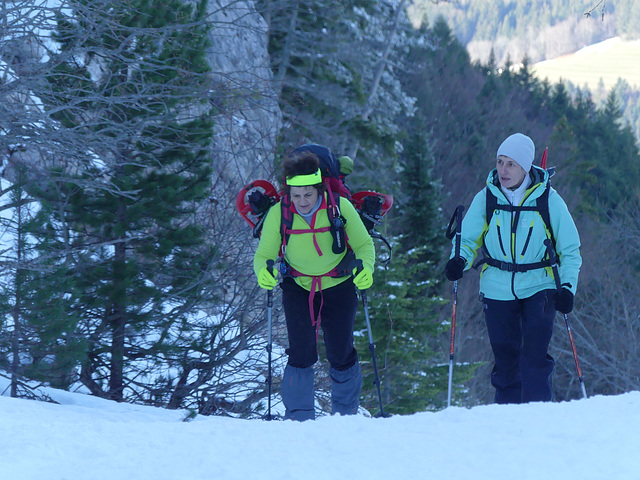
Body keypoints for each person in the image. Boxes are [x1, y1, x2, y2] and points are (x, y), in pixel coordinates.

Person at [444, 132, 582, 404]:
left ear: (526, 167)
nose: (503, 170)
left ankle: (538, 419)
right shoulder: (487, 198)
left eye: (511, 164)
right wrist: (459, 259)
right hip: (497, 286)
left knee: (534, 359)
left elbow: (569, 250)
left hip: (540, 286)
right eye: (500, 161)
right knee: (506, 360)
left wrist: (567, 288)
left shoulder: (548, 200)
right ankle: (506, 424)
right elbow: (468, 238)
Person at [254, 146, 375, 420]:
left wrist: (366, 268)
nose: (303, 200)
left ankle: (346, 416)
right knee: (300, 352)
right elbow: (264, 254)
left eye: (308, 193)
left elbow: (364, 245)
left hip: (339, 284)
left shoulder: (339, 207)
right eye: (296, 195)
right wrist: (263, 271)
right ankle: (299, 419)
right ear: (289, 193)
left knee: (341, 351)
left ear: (319, 189)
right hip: (298, 286)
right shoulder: (279, 213)